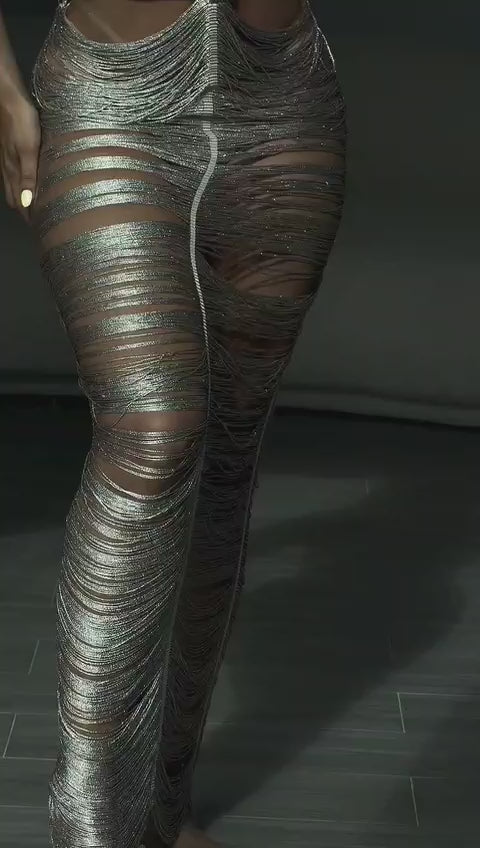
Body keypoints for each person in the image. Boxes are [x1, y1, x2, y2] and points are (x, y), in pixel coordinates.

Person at [0, 1, 347, 846]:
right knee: (155, 432)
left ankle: (164, 808)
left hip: (286, 99)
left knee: (227, 458)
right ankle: (93, 824)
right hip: (109, 97)